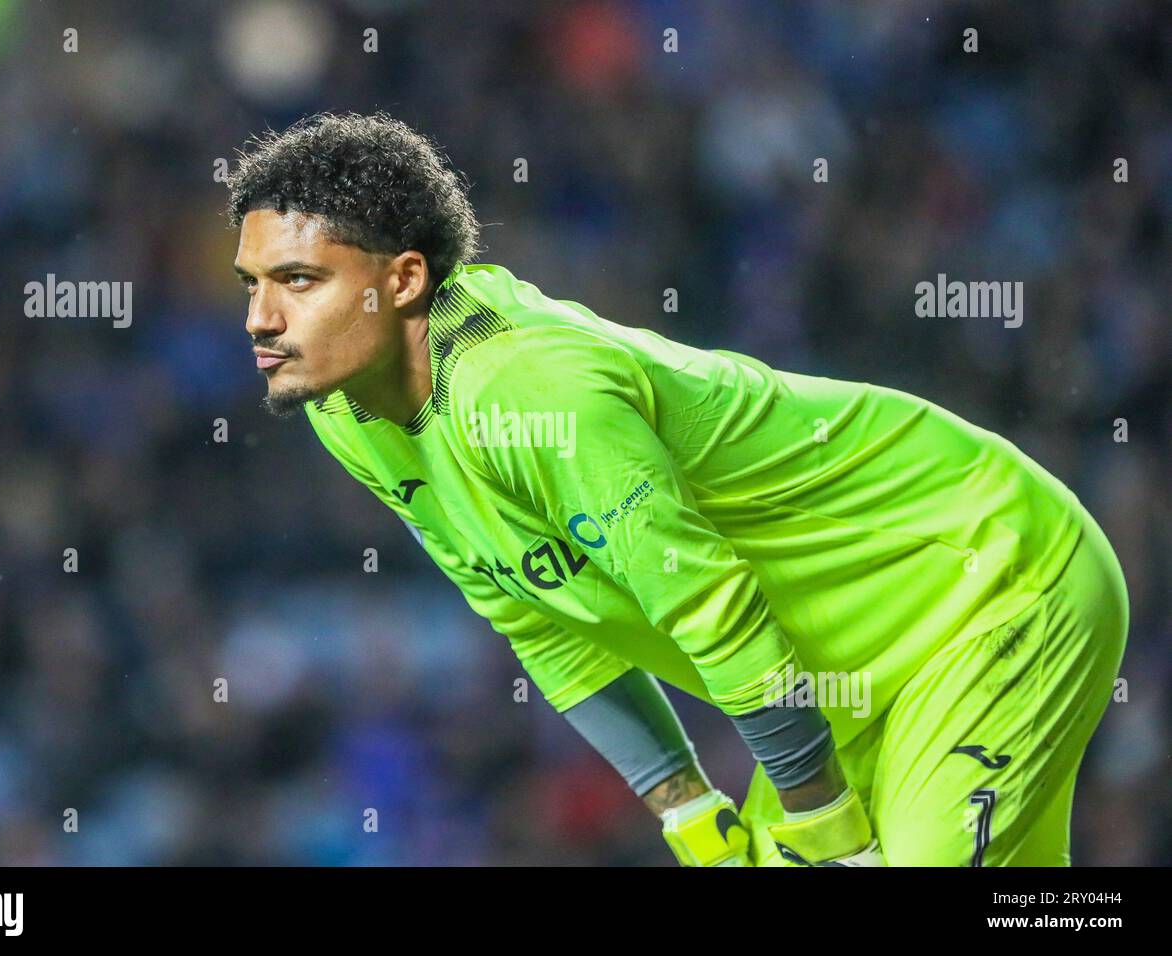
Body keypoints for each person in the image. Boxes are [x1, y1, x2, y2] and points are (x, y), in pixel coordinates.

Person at [227, 111, 1128, 866]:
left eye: (298, 281)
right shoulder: (346, 409)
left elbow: (713, 608)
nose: (262, 319)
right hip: (844, 678)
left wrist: (828, 838)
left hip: (987, 587)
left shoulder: (528, 389)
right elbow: (539, 619)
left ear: (404, 281)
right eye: (254, 285)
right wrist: (693, 817)